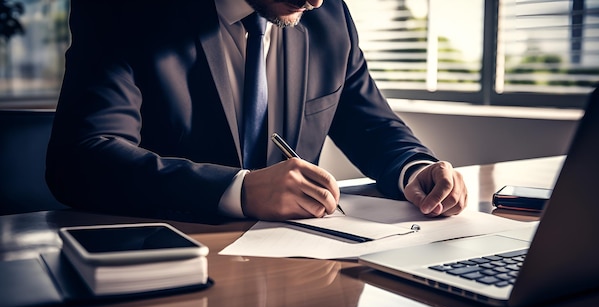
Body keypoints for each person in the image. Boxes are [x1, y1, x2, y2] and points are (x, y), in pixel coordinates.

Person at [46, 0, 467, 224]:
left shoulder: (331, 17)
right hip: (165, 262)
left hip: (297, 266)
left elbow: (371, 123)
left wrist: (417, 169)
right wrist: (239, 190)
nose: (314, 0)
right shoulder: (124, 9)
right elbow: (82, 156)